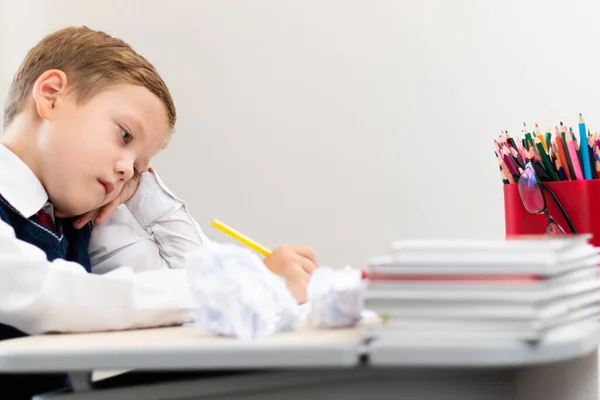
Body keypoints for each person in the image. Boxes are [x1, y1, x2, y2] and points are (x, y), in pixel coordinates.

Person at [0, 26, 317, 398]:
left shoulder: (76, 220)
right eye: (124, 136)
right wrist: (240, 286)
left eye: (137, 167)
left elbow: (180, 309)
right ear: (52, 94)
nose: (125, 170)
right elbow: (51, 296)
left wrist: (140, 192)